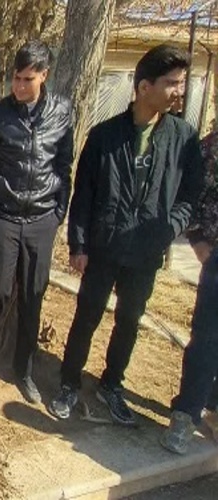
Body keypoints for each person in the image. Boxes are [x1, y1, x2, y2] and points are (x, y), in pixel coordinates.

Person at [49, 44, 204, 425]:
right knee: (87, 316)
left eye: (182, 83)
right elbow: (83, 193)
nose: (179, 91)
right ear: (144, 86)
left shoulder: (183, 138)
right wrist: (79, 244)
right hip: (103, 247)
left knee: (130, 320)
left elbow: (190, 195)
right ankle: (69, 383)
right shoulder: (104, 137)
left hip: (146, 251)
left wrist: (172, 226)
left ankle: (112, 384)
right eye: (172, 83)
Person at [0, 40, 74, 403]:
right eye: (15, 78)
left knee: (32, 297)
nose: (19, 86)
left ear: (44, 76)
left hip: (42, 220)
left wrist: (58, 213)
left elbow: (64, 167)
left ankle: (23, 371)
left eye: (28, 79)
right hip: (5, 219)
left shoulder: (62, 112)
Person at [161, 128, 218, 454]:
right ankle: (185, 415)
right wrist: (197, 241)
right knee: (207, 340)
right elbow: (190, 195)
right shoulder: (210, 148)